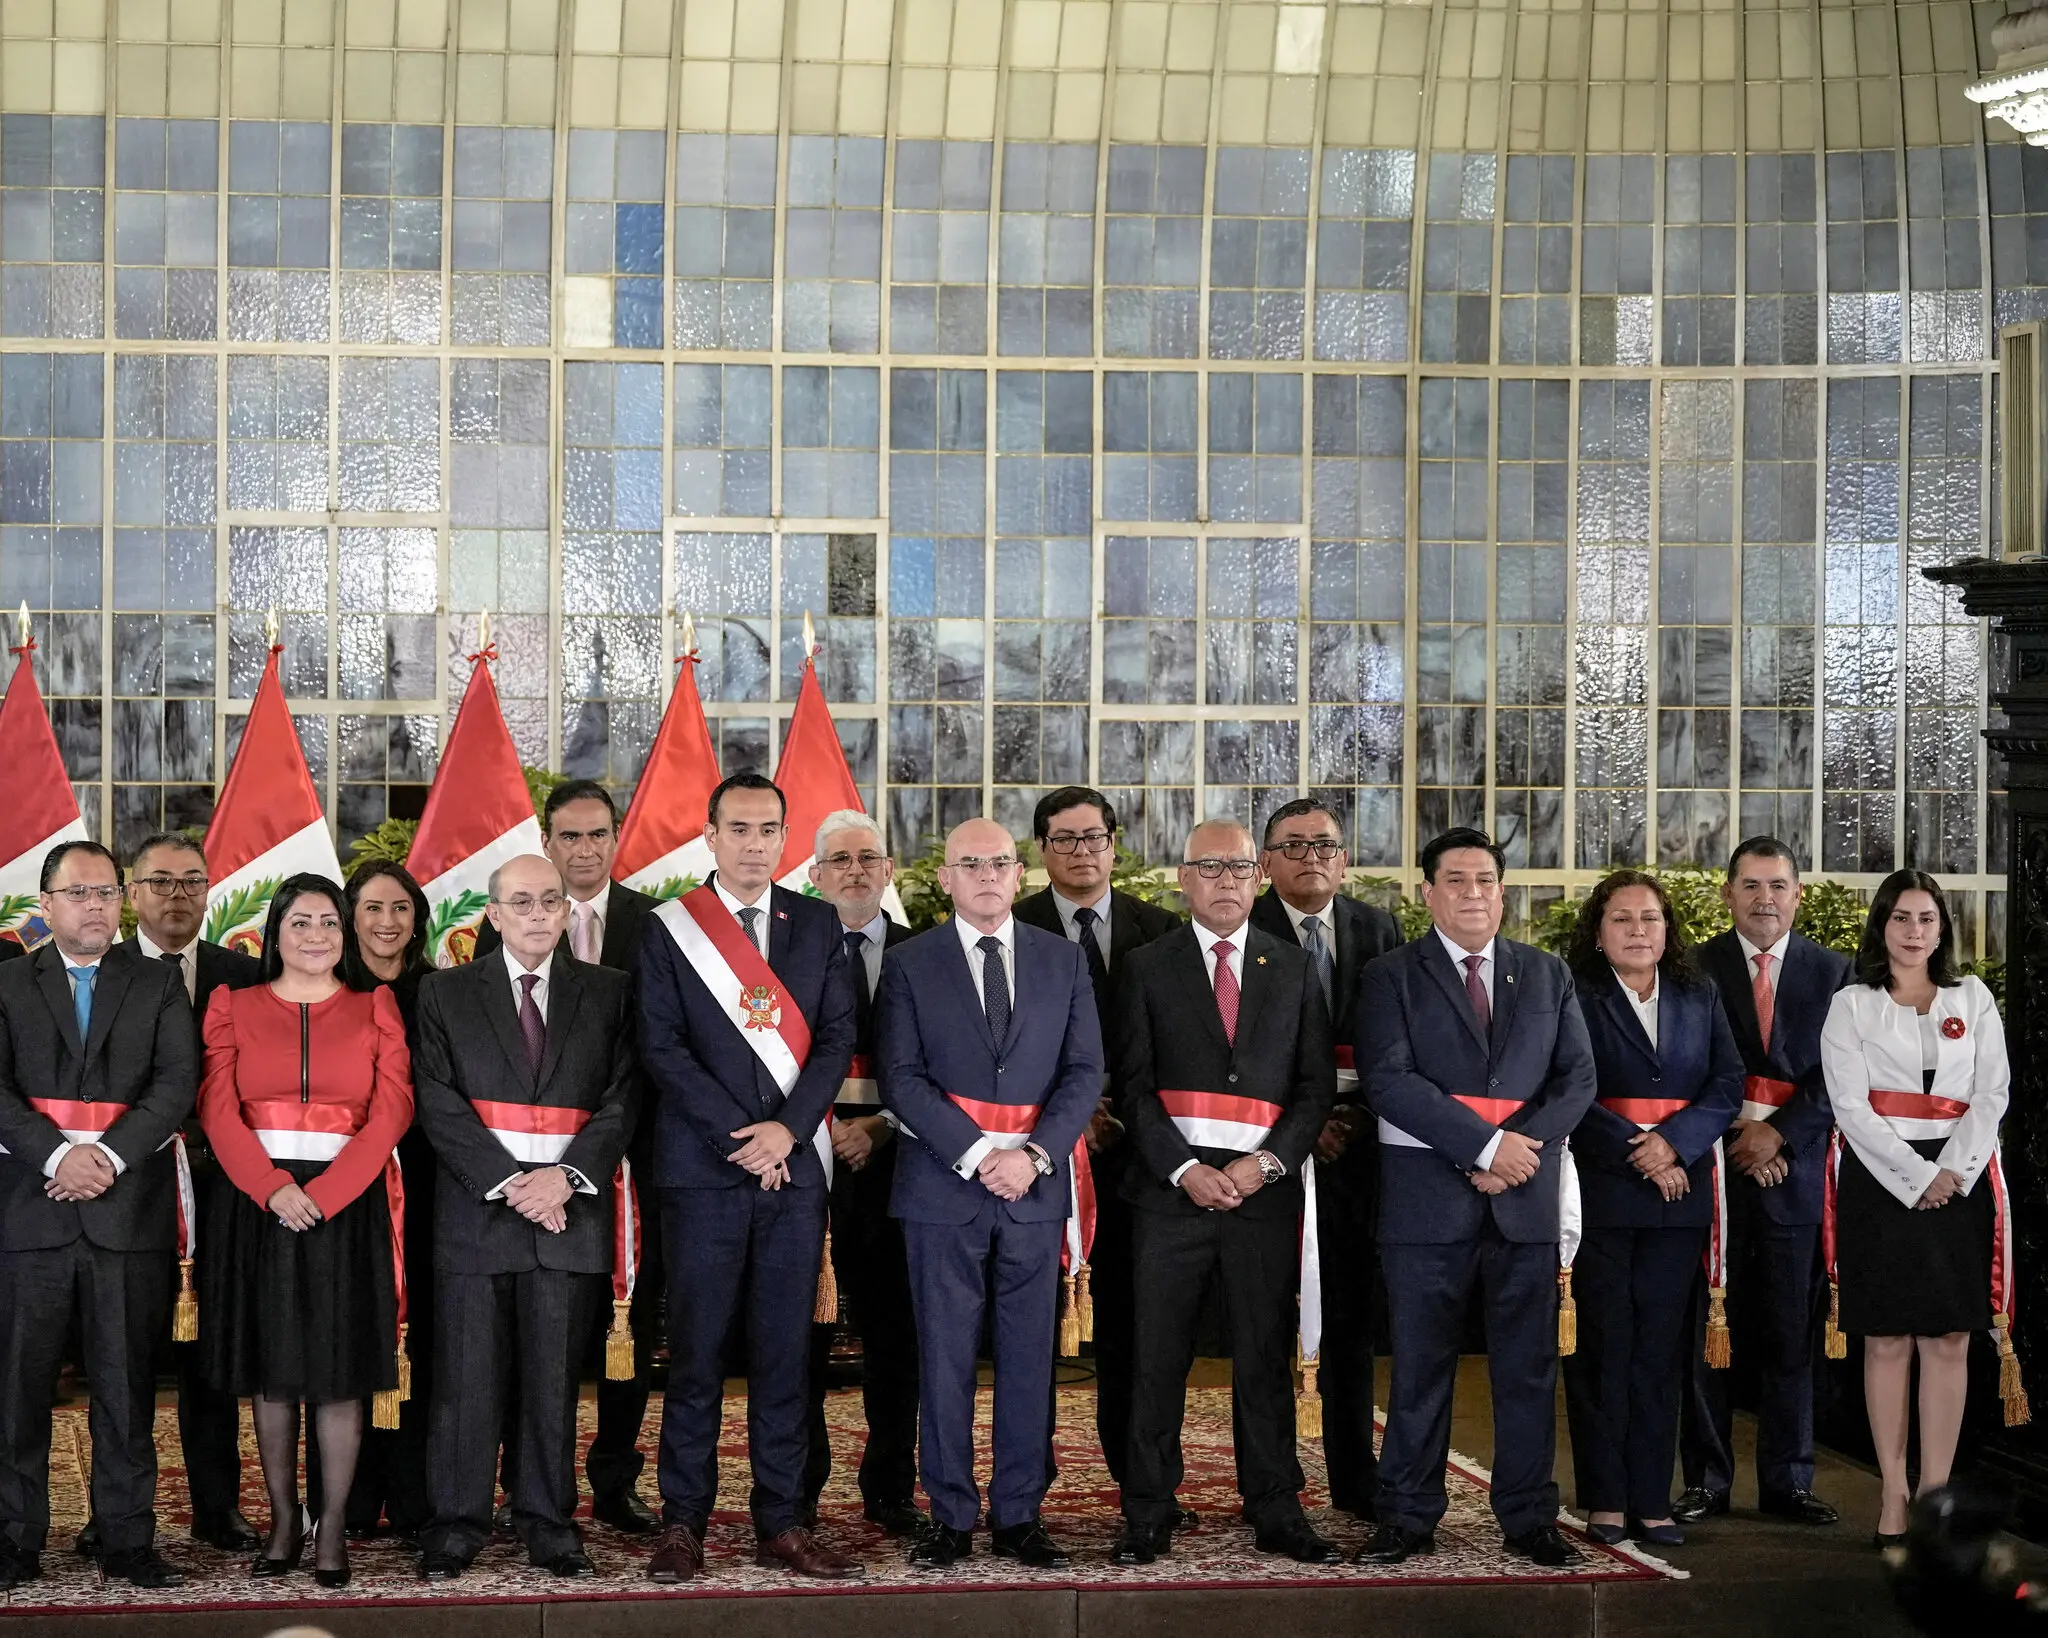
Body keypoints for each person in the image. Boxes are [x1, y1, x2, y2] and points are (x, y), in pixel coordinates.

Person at [638, 772, 860, 1583]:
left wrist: (787, 1132)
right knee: (694, 1357)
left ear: (784, 838)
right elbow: (660, 1047)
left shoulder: (818, 923)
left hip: (791, 1176)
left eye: (769, 829)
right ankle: (682, 1522)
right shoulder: (670, 930)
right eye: (739, 828)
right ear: (710, 835)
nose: (755, 843)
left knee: (783, 1358)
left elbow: (836, 1039)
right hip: (704, 1174)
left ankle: (782, 1520)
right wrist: (744, 1136)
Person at [1354, 828, 1595, 1568]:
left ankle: (1528, 1518)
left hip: (1523, 1205)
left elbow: (1577, 1080)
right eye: (1455, 880)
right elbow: (1389, 1080)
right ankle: (1406, 1514)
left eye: (1486, 880)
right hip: (1427, 1206)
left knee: (1526, 1370)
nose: (1473, 893)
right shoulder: (1390, 975)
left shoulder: (1546, 974)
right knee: (1421, 1368)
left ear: (1502, 890)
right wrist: (1488, 1148)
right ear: (1426, 892)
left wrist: (1517, 1156)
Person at [876, 818, 1102, 1572]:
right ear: (943, 877)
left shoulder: (1062, 961)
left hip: (1035, 1191)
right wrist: (979, 1156)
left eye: (999, 862)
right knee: (941, 1358)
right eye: (968, 862)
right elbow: (901, 1079)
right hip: (944, 1190)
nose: (985, 874)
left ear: (1020, 872)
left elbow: (1083, 1073)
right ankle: (949, 1514)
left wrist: (1034, 1156)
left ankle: (1019, 1514)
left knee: (1029, 1358)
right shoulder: (909, 965)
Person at [1110, 818, 1337, 1566]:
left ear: (1259, 876)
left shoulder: (1294, 967)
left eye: (1240, 868)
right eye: (1211, 868)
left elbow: (1312, 1091)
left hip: (1263, 1200)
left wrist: (1265, 1165)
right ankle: (1148, 1507)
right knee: (1157, 1358)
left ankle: (1273, 1503)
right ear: (1184, 878)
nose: (1227, 882)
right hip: (1169, 1198)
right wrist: (1186, 1170)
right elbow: (1134, 1090)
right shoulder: (1146, 966)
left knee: (1263, 1357)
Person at [413, 855, 640, 1580]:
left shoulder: (611, 994)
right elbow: (435, 1101)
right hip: (478, 1217)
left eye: (551, 901)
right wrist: (511, 1182)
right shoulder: (443, 994)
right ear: (496, 914)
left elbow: (624, 1097)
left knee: (551, 1382)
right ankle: (456, 1522)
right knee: (467, 1382)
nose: (539, 913)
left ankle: (547, 1521)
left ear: (567, 913)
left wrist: (565, 1180)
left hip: (567, 1219)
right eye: (523, 902)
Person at [199, 873, 413, 1588]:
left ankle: (331, 1529)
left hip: (344, 1207)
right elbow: (216, 1109)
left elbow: (391, 1111)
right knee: (273, 1373)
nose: (316, 935)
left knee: (338, 1374)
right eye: (301, 922)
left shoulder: (375, 1005)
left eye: (328, 922)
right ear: (274, 932)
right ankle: (284, 1519)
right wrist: (272, 1190)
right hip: (258, 1207)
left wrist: (324, 1194)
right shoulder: (232, 1005)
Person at [0, 840, 196, 1590]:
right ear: (44, 904)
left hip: (125, 1218)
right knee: (18, 1392)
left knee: (126, 1391)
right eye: (78, 893)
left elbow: (175, 1084)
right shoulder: (10, 984)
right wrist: (57, 1159)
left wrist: (106, 1160)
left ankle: (125, 1541)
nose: (95, 906)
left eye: (107, 893)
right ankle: (15, 1541)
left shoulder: (158, 984)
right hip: (29, 1216)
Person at [477, 779, 663, 1533]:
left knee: (628, 1329)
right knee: (529, 1333)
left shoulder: (660, 924)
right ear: (547, 843)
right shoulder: (503, 920)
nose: (584, 850)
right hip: (521, 1177)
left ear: (616, 839)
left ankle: (615, 1480)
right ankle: (519, 1478)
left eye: (597, 835)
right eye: (569, 837)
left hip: (626, 1162)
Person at [1821, 870, 2010, 1548]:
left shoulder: (1975, 996)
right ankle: (1894, 1492)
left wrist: (1951, 1170)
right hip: (1880, 1181)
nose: (1914, 931)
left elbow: (1992, 1094)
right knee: (1890, 1336)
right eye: (1902, 918)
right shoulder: (1851, 1005)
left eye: (1927, 919)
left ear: (1941, 929)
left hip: (1960, 1181)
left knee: (1949, 1338)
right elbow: (1849, 1105)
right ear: (1883, 925)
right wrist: (1914, 1176)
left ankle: (1936, 1493)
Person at [1561, 870, 1742, 1548]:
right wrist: (1636, 1150)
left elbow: (1727, 1084)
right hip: (1603, 1192)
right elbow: (1566, 1085)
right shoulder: (1574, 993)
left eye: (1651, 918)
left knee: (1661, 1354)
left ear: (1669, 930)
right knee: (1604, 1350)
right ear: (1598, 933)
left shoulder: (1700, 993)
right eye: (1623, 920)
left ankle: (1650, 1497)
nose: (1639, 930)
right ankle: (1605, 1499)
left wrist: (1675, 1145)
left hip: (1680, 1194)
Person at [1677, 837, 1851, 1526]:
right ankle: (1708, 1480)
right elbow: (1682, 1067)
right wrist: (1734, 1139)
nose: (1764, 899)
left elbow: (1845, 1073)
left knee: (1791, 1338)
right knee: (1708, 1332)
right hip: (1712, 1172)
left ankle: (1787, 1481)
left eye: (1777, 885)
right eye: (1750, 885)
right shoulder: (1693, 967)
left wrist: (1780, 1134)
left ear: (1798, 894)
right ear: (1728, 894)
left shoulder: (1836, 974)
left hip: (1795, 1174)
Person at [1011, 785, 1180, 1494]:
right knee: (1033, 1325)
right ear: (1042, 851)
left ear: (1115, 844)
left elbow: (1176, 1048)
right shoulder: (1008, 926)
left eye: (1094, 837)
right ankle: (1027, 1481)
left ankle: (1144, 1483)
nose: (1082, 852)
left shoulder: (1164, 931)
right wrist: (1068, 1117)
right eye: (1065, 839)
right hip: (1039, 1157)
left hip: (1144, 1159)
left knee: (1136, 1331)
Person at [101, 832, 264, 1555]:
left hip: (223, 1197)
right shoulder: (99, 970)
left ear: (210, 892)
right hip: (127, 1196)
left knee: (214, 1360)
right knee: (122, 1358)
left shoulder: (246, 974)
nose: (177, 896)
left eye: (192, 882)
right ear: (132, 893)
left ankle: (216, 1505)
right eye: (160, 882)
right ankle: (115, 1512)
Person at [1248, 796, 1403, 1517]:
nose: (1312, 856)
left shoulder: (1380, 929)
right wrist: (1301, 1128)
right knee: (1266, 1322)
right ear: (1266, 862)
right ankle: (1271, 1481)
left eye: (1326, 845)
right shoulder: (1240, 928)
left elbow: (1398, 1047)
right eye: (1294, 844)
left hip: (1360, 1156)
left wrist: (1354, 1117)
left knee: (1349, 1322)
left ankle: (1355, 1476)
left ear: (1344, 859)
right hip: (1267, 1157)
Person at [802, 810, 921, 1536]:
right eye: (838, 860)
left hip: (900, 1166)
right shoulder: (787, 950)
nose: (853, 870)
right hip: (806, 1166)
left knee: (894, 1338)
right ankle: (800, 1489)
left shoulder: (925, 952)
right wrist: (824, 1130)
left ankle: (890, 1489)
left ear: (888, 871)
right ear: (814, 876)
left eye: (867, 858)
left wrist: (878, 1129)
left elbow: (945, 1064)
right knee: (801, 1340)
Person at [325, 863, 436, 1542]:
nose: (387, 922)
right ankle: (350, 1496)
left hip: (426, 1187)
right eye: (372, 908)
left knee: (424, 1341)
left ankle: (417, 1494)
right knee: (345, 1339)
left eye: (400, 908)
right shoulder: (325, 993)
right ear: (349, 917)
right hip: (345, 1186)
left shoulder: (444, 992)